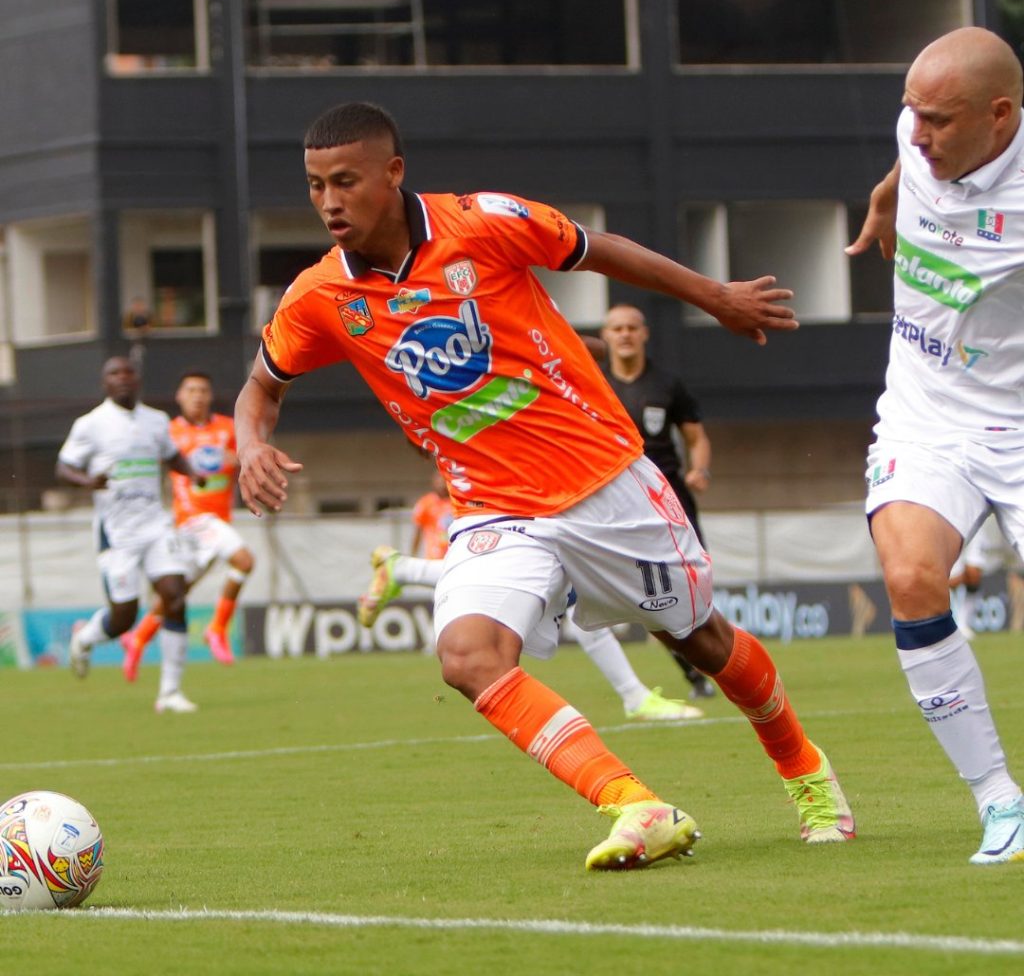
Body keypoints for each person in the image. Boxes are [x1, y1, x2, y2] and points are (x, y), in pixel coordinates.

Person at [236, 102, 854, 870]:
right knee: (466, 657)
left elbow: (604, 251)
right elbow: (260, 388)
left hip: (605, 483)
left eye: (346, 182)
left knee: (699, 638)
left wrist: (713, 296)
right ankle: (635, 805)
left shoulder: (484, 222)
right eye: (315, 185)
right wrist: (250, 443)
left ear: (393, 173)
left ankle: (806, 773)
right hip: (493, 507)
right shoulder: (322, 298)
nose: (329, 202)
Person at [845, 26, 1024, 865]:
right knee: (912, 575)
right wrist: (887, 197)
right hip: (927, 412)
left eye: (939, 121)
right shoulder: (918, 135)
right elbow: (903, 161)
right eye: (910, 114)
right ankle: (999, 801)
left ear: (1000, 115)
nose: (918, 135)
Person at [359, 483, 705, 722]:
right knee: (552, 590)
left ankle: (635, 696)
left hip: (520, 515)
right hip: (521, 514)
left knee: (574, 599)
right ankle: (635, 698)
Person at [56, 356, 200, 713]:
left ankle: (169, 693)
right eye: (114, 374)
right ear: (104, 383)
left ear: (138, 380)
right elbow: (63, 467)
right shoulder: (90, 425)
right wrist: (88, 481)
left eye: (129, 372)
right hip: (116, 532)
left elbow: (171, 456)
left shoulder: (156, 420)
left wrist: (192, 472)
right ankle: (85, 637)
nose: (123, 378)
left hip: (154, 524)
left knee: (175, 597)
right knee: (125, 617)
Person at [601, 302, 717, 699]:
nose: (625, 334)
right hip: (615, 498)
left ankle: (714, 657)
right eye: (617, 328)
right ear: (606, 336)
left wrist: (699, 470)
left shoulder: (668, 384)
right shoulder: (594, 385)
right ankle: (694, 671)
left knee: (690, 580)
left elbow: (696, 438)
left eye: (632, 327)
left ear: (644, 333)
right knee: (644, 592)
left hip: (669, 495)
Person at [121, 370, 256, 678]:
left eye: (203, 390)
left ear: (210, 396)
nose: (197, 396)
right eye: (191, 390)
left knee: (177, 593)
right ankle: (217, 629)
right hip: (191, 520)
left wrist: (236, 458)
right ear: (180, 396)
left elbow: (245, 456)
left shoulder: (226, 428)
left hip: (216, 521)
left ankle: (137, 638)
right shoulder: (168, 432)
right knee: (245, 560)